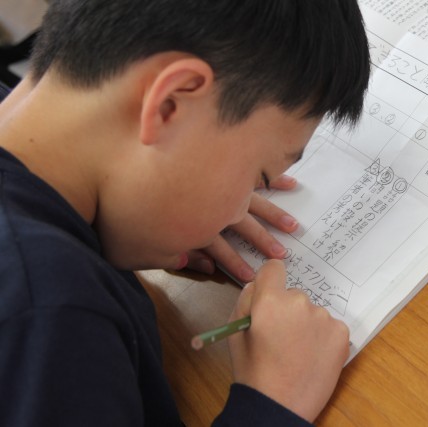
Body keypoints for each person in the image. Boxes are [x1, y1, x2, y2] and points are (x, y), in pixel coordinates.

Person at [0, 0, 370, 425]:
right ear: (169, 105)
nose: (236, 212)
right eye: (259, 175)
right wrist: (273, 402)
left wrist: (172, 193)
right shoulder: (50, 314)